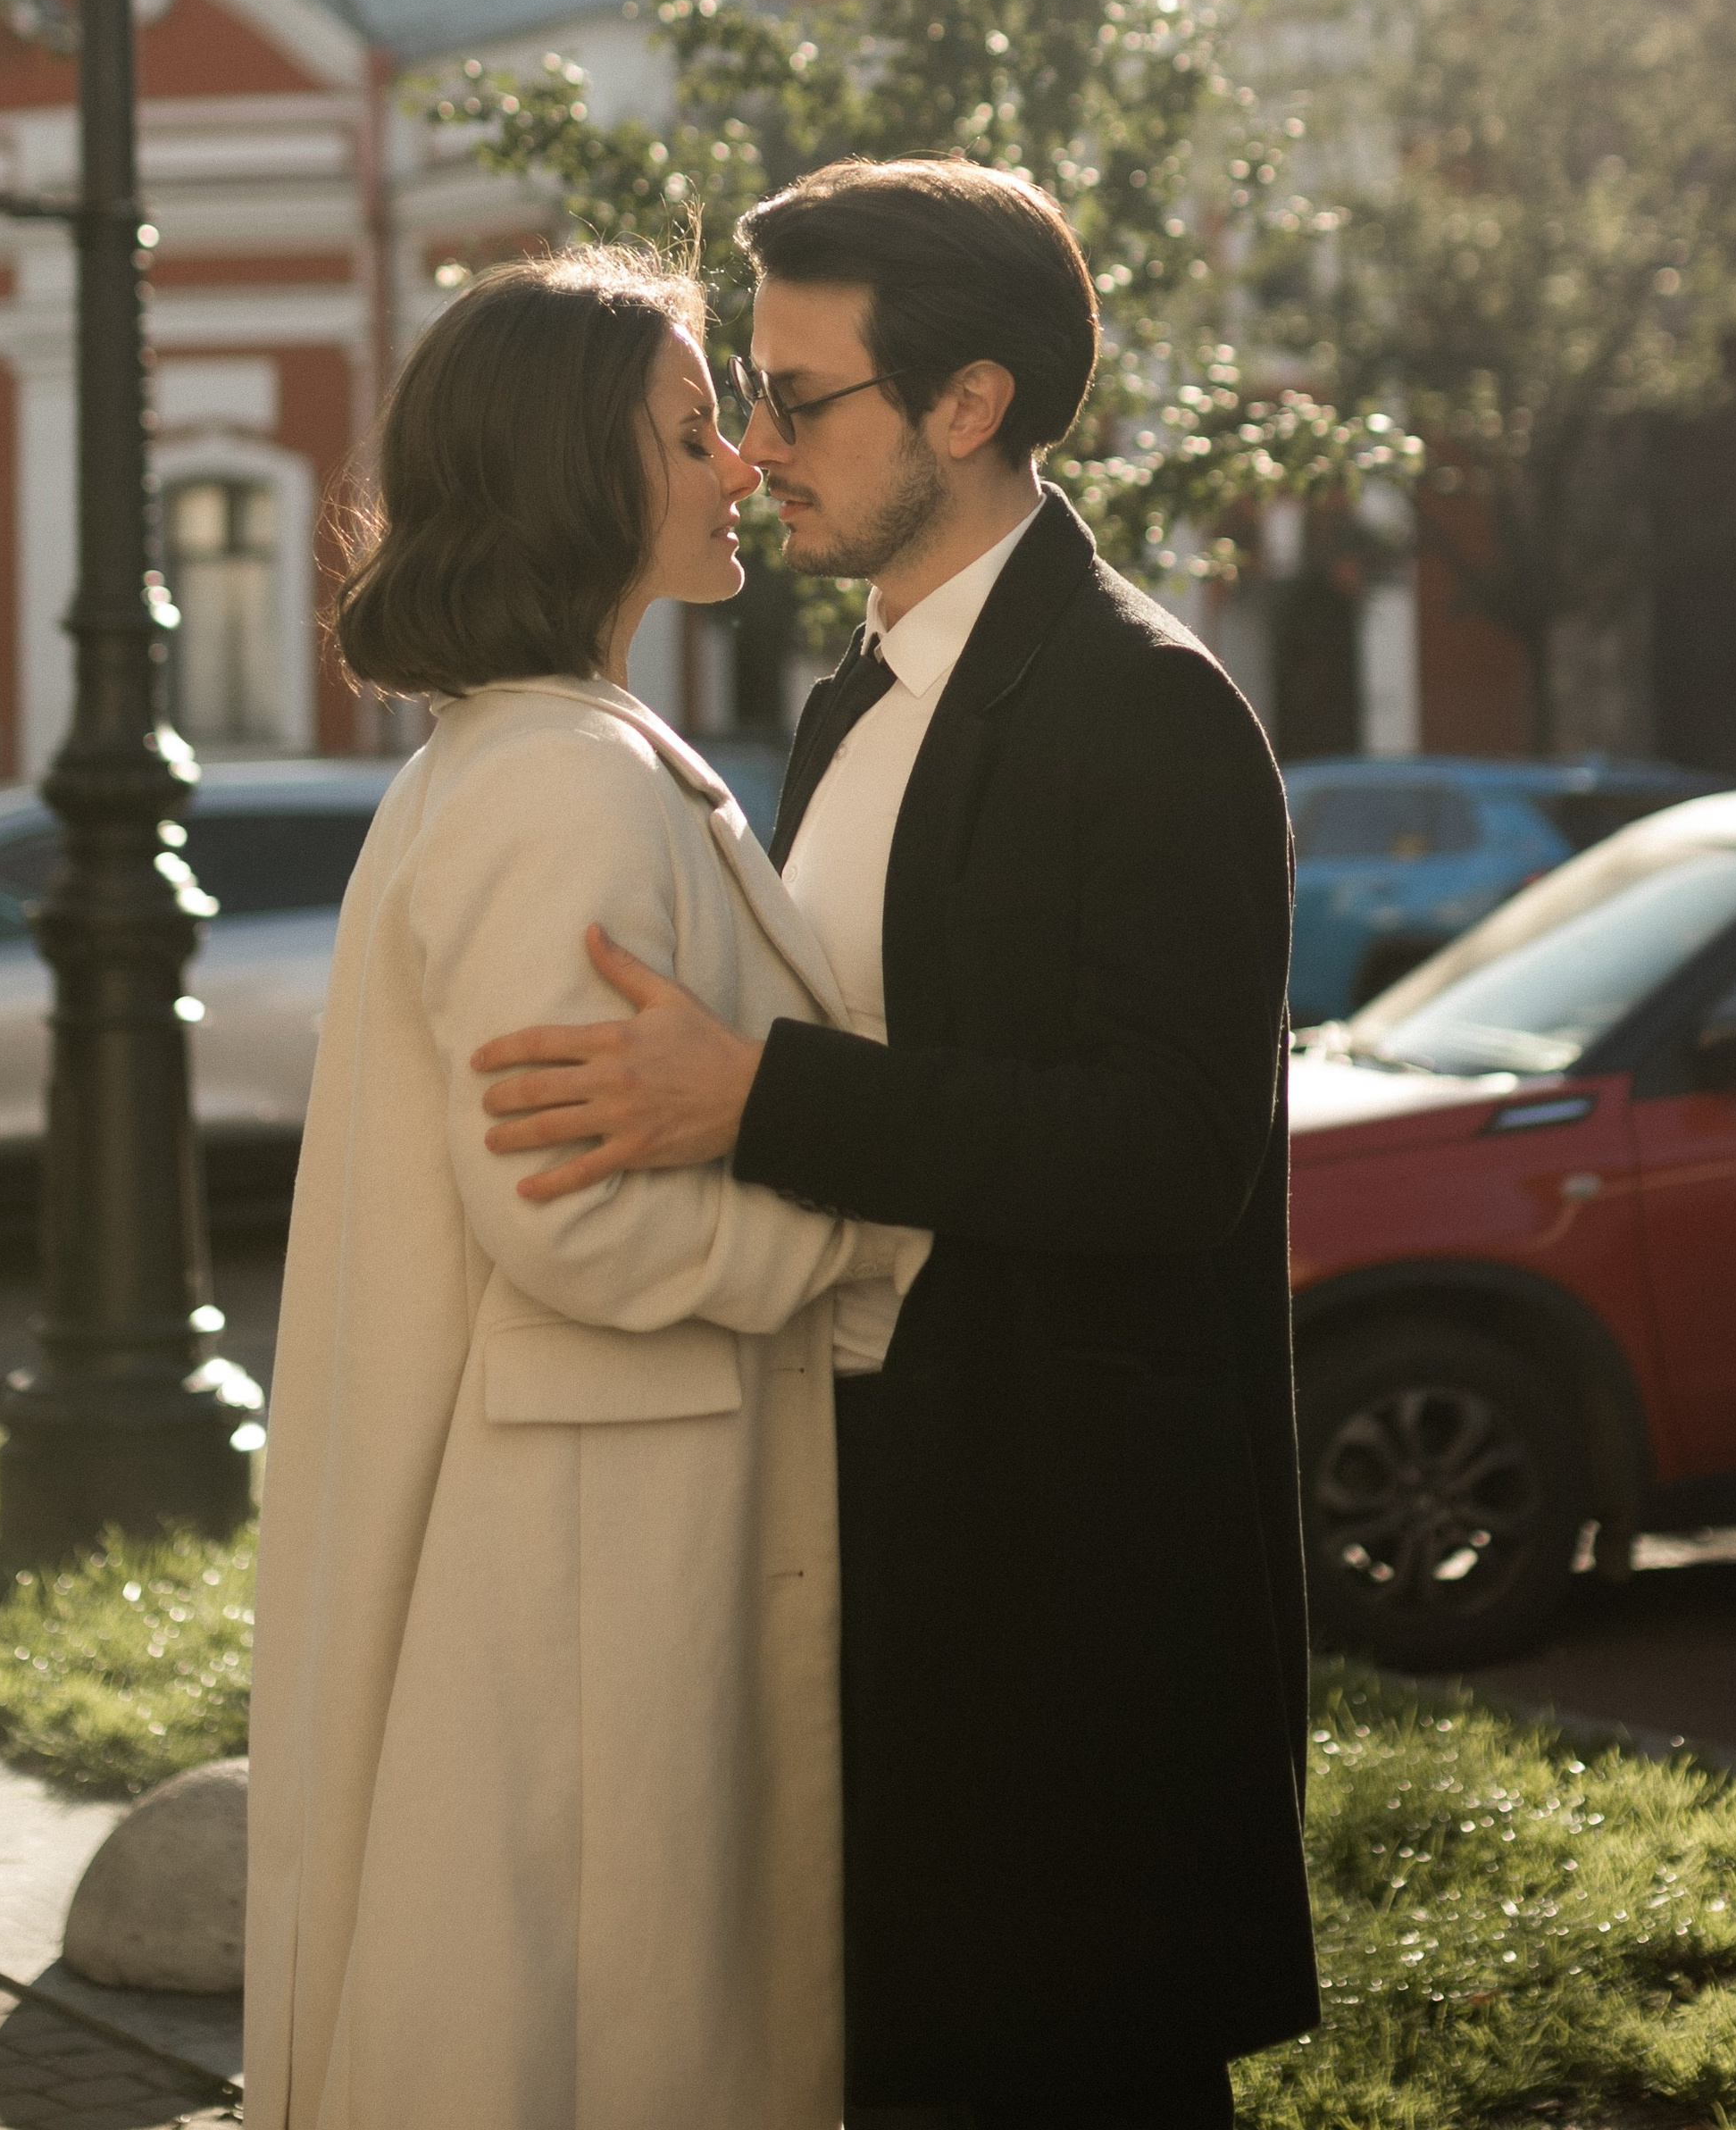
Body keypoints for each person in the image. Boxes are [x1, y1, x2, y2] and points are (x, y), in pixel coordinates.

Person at [477, 158, 1320, 2130]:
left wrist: (756, 1098)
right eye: (746, 401)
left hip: (1062, 1591)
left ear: (967, 407)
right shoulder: (849, 694)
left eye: (796, 400)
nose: (753, 448)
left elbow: (1172, 1150)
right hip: (863, 1532)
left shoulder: (1151, 707)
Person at [244, 245, 928, 2130]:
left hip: (591, 1529)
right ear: (573, 468)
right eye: (691, 424)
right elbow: (573, 1209)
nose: (737, 464)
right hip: (582, 1568)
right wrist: (853, 1221)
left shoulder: (545, 753)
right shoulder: (561, 782)